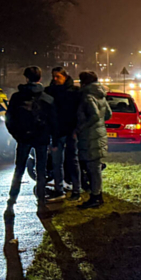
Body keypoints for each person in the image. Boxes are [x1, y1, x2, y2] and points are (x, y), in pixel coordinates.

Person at [6, 66, 58, 213]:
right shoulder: (47, 99)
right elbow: (54, 121)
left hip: (23, 137)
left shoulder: (17, 97)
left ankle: (12, 199)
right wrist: (53, 140)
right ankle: (41, 201)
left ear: (26, 78)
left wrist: (16, 135)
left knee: (19, 169)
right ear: (40, 79)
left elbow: (9, 119)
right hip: (41, 138)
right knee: (41, 170)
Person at [76, 70, 111, 210]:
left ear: (84, 82)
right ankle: (97, 196)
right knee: (94, 166)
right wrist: (100, 125)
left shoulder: (87, 96)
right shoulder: (101, 95)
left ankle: (95, 197)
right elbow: (108, 114)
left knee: (93, 168)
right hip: (100, 133)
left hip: (90, 136)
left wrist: (80, 128)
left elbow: (95, 115)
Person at [45, 67, 81, 201]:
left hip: (70, 132)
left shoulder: (74, 92)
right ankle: (59, 189)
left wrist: (76, 130)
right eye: (53, 76)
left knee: (72, 161)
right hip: (56, 132)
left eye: (58, 76)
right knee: (56, 162)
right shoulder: (50, 91)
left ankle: (76, 190)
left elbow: (79, 113)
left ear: (65, 77)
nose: (55, 79)